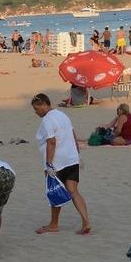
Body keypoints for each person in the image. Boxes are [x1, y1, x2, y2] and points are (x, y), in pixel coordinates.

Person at [31, 93, 92, 235]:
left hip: (58, 161)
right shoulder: (63, 115)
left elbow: (51, 142)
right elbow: (73, 135)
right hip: (71, 158)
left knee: (54, 190)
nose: (36, 112)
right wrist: (77, 154)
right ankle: (86, 221)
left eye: (36, 108)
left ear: (44, 105)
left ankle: (53, 224)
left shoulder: (47, 120)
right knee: (73, 191)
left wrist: (49, 164)